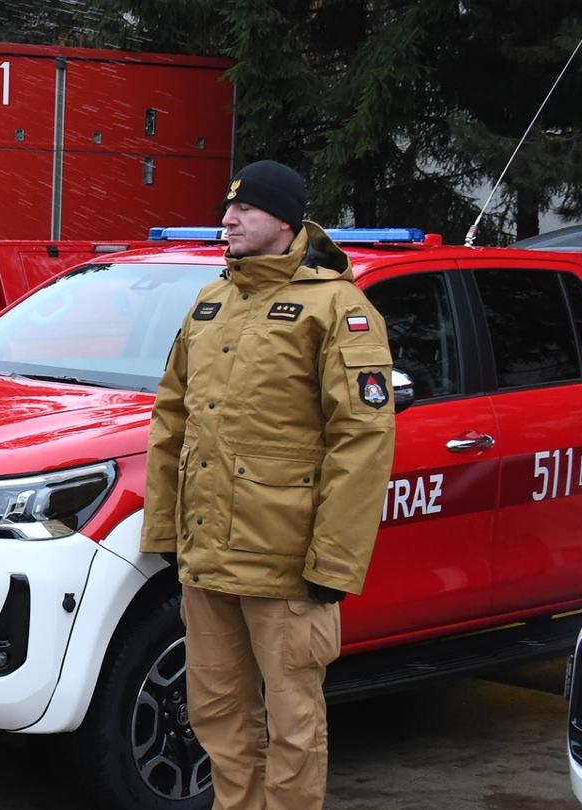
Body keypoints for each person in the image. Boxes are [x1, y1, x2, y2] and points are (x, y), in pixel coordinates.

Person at [141, 160, 396, 810]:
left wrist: (334, 559)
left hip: (285, 568)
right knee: (217, 716)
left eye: (243, 210)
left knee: (293, 724)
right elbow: (172, 417)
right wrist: (166, 532)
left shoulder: (339, 308)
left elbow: (362, 441)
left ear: (283, 221)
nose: (227, 219)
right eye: (228, 208)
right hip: (207, 563)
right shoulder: (211, 302)